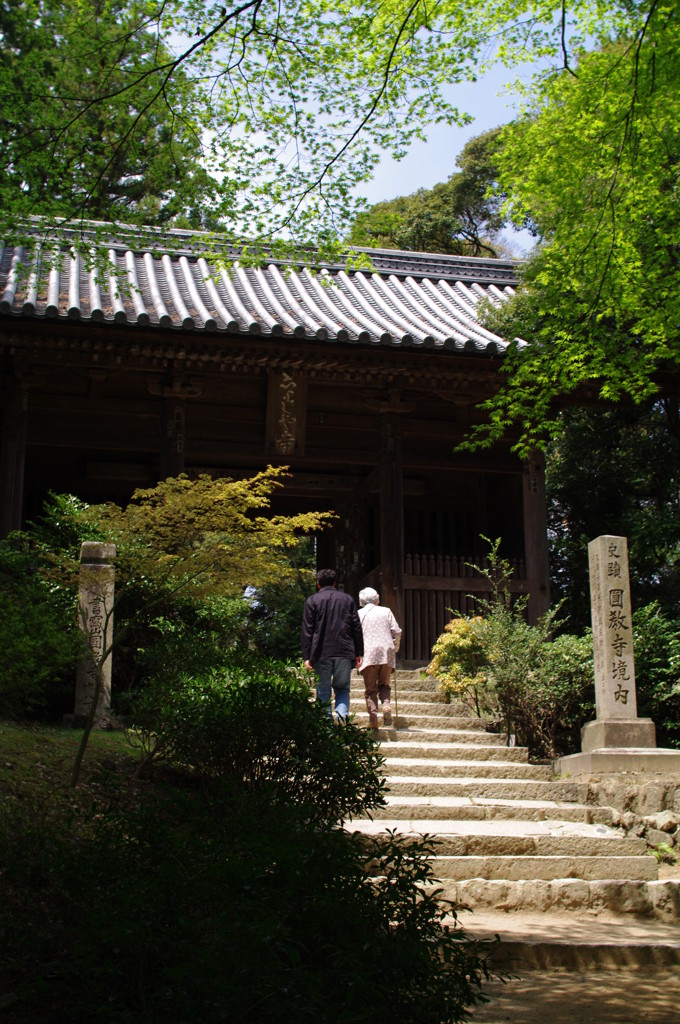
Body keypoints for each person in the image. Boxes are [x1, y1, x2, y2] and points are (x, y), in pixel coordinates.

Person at [301, 568, 364, 722]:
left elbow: (307, 630)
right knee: (342, 689)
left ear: (318, 583)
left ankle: (327, 728)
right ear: (334, 582)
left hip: (320, 652)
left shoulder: (312, 601)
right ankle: (342, 720)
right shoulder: (347, 600)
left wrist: (307, 656)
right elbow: (356, 627)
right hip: (344, 650)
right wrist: (359, 652)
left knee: (323, 690)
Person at [357, 587, 402, 729]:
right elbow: (397, 631)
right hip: (386, 652)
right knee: (385, 685)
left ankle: (373, 719)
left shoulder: (359, 613)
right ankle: (387, 706)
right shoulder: (386, 611)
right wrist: (395, 646)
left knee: (370, 689)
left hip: (368, 652)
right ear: (376, 598)